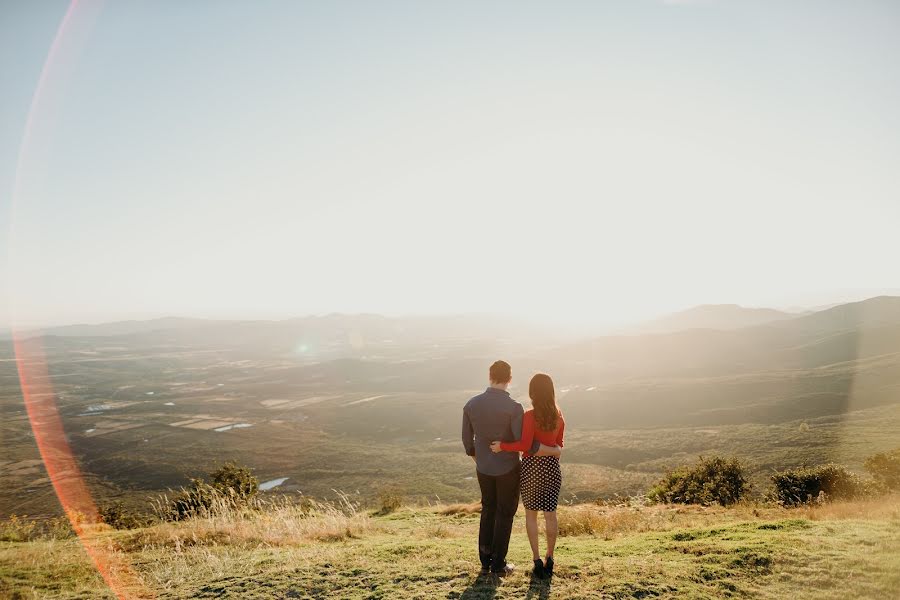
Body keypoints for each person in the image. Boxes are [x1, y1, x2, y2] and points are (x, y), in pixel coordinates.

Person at [462, 360, 561, 577]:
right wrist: (552, 450)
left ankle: (485, 562)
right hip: (508, 469)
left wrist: (482, 460)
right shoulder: (514, 408)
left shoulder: (471, 405)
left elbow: (468, 443)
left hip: (483, 468)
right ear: (510, 379)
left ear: (490, 376)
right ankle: (499, 564)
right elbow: (525, 442)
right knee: (505, 513)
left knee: (488, 510)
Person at [490, 373, 564, 580]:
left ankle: (537, 560)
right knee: (551, 514)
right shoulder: (559, 416)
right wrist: (550, 450)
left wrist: (502, 446)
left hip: (532, 469)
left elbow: (524, 446)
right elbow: (559, 447)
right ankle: (551, 557)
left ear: (533, 392)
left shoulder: (530, 416)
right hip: (551, 469)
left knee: (531, 515)